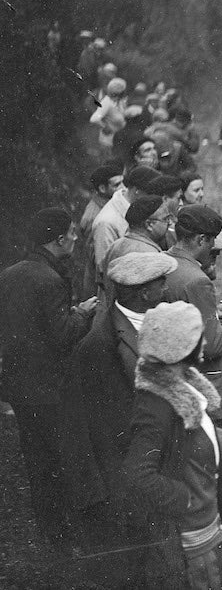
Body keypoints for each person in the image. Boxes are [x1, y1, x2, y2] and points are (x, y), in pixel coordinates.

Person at [121, 301, 222, 588]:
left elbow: (197, 438)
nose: (205, 341)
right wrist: (185, 498)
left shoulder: (180, 386)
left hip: (206, 534)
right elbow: (137, 474)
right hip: (192, 547)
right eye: (198, 335)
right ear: (181, 348)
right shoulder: (157, 406)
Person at [60, 252, 177, 584]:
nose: (167, 288)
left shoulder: (155, 323)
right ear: (144, 293)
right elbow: (76, 424)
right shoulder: (98, 345)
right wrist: (92, 492)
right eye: (161, 283)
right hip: (126, 482)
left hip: (160, 470)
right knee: (138, 568)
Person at [0, 208, 98, 545]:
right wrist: (82, 315)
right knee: (61, 459)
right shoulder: (50, 280)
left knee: (36, 461)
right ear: (57, 239)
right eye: (71, 232)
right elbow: (61, 336)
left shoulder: (9, 274)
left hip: (20, 387)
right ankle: (68, 535)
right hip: (51, 389)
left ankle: (49, 533)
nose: (74, 237)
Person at [164, 206, 222, 432]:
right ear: (201, 239)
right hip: (205, 386)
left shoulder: (164, 262)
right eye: (211, 243)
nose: (212, 250)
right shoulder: (197, 280)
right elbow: (213, 344)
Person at [93, 165, 163, 297]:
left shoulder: (138, 209)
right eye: (151, 194)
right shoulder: (107, 222)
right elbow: (105, 269)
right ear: (137, 191)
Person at [77, 163, 123, 298]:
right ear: (102, 188)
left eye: (123, 183)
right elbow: (100, 260)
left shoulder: (110, 204)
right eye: (116, 185)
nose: (122, 188)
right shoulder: (94, 216)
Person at [105, 195, 173, 268]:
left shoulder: (114, 247)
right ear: (149, 225)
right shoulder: (151, 257)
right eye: (165, 219)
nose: (170, 223)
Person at [90, 77, 128, 153]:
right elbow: (94, 119)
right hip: (107, 142)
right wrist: (105, 126)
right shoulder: (106, 102)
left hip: (117, 140)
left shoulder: (119, 103)